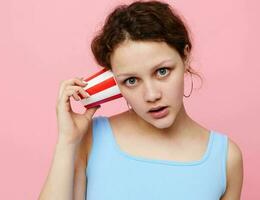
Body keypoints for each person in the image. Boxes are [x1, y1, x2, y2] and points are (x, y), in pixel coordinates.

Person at [39, 1, 243, 200]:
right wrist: (67, 142)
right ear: (114, 81)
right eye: (131, 80)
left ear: (185, 56)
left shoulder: (225, 159)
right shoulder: (91, 138)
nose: (152, 95)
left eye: (162, 72)